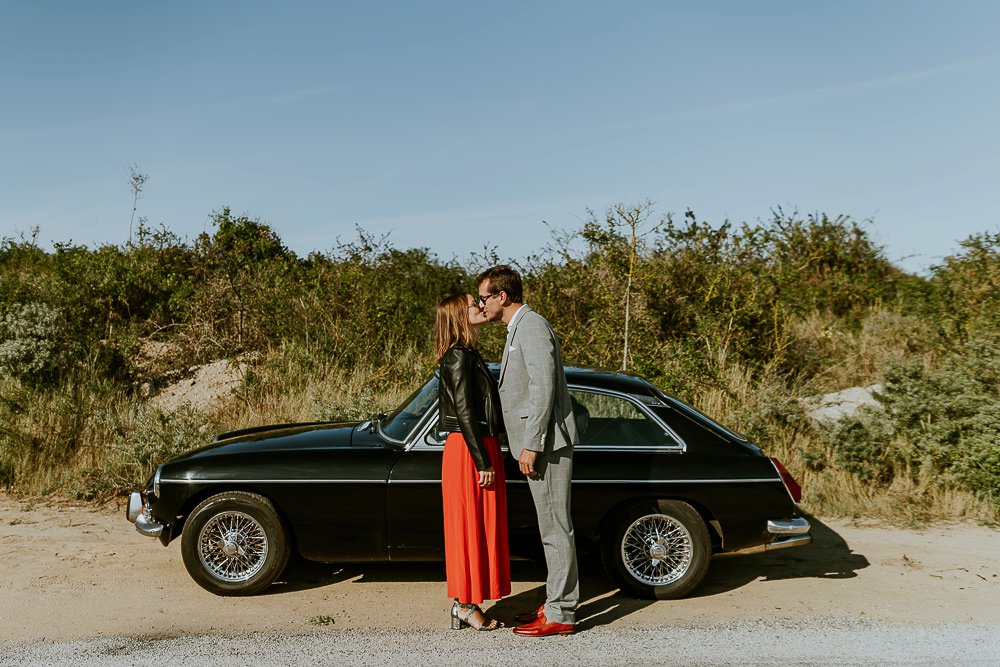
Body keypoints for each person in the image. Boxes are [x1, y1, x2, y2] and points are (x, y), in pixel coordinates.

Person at [475, 265, 579, 637]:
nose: (479, 304)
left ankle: (561, 613)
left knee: (555, 529)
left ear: (502, 296)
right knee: (550, 527)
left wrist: (531, 444)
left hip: (546, 444)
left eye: (483, 298)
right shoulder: (517, 326)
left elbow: (542, 387)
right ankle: (555, 601)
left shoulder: (531, 326)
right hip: (539, 442)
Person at [435, 292, 510, 631]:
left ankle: (468, 602)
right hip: (470, 450)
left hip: (479, 446)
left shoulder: (468, 353)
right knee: (468, 527)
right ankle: (463, 605)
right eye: (473, 304)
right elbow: (464, 411)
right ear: (458, 316)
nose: (481, 307)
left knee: (480, 527)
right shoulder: (456, 356)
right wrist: (482, 462)